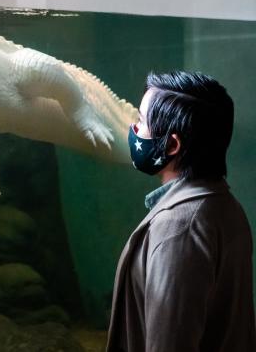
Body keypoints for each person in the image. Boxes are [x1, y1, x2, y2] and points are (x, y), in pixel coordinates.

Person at [107, 71, 255, 351]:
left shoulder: (180, 228)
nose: (134, 129)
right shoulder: (224, 205)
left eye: (141, 121)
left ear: (172, 145)